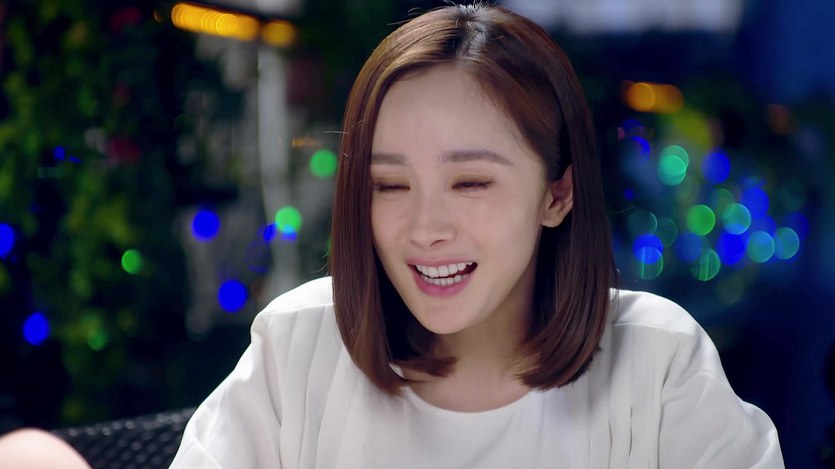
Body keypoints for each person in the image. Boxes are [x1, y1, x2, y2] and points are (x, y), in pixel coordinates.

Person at [170, 3, 784, 468]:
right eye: (390, 185)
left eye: (470, 183)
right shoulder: (299, 344)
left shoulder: (655, 359)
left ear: (557, 194)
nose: (426, 229)